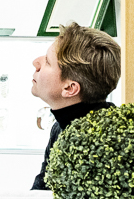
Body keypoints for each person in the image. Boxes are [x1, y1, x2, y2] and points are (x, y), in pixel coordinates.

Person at [29, 23, 121, 190]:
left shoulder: (101, 143)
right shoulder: (60, 128)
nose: (36, 62)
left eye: (48, 62)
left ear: (70, 88)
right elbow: (41, 193)